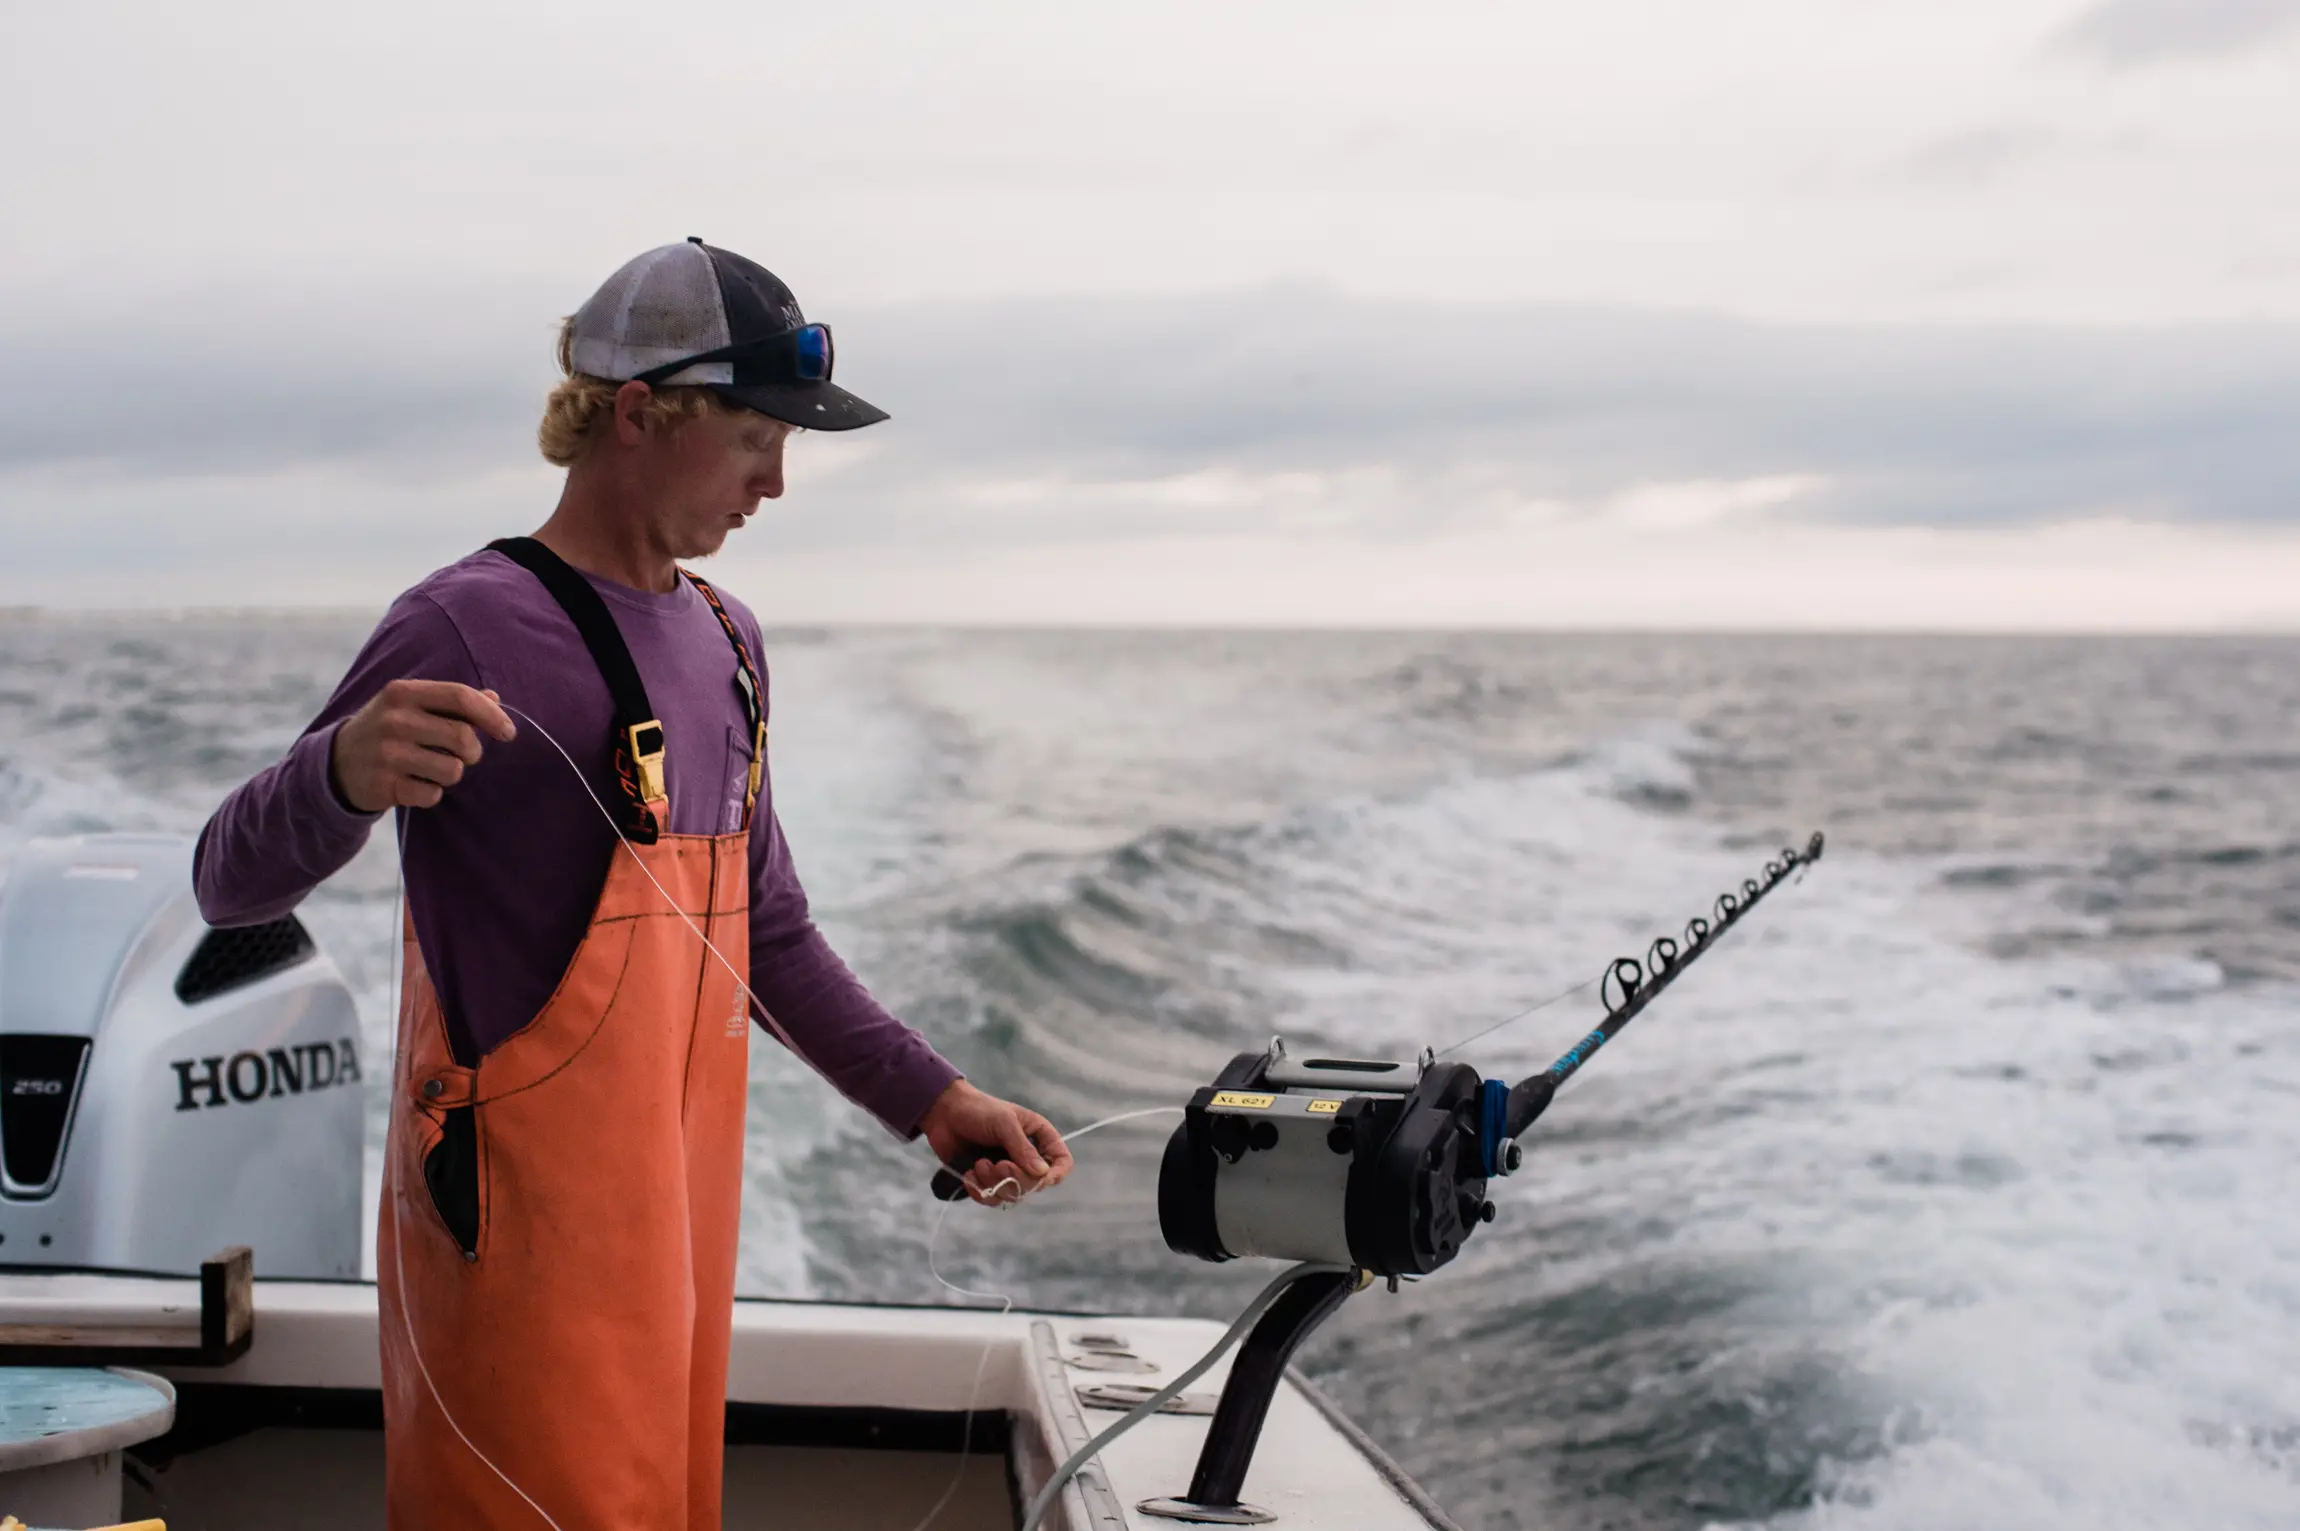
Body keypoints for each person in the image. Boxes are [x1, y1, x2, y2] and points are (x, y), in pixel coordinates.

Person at [192, 238, 1072, 1529]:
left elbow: (765, 932)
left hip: (675, 1222)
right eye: (756, 438)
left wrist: (932, 1101)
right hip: (515, 1242)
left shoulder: (729, 638)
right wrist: (339, 773)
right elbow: (229, 883)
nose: (777, 482)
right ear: (640, 414)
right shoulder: (466, 622)